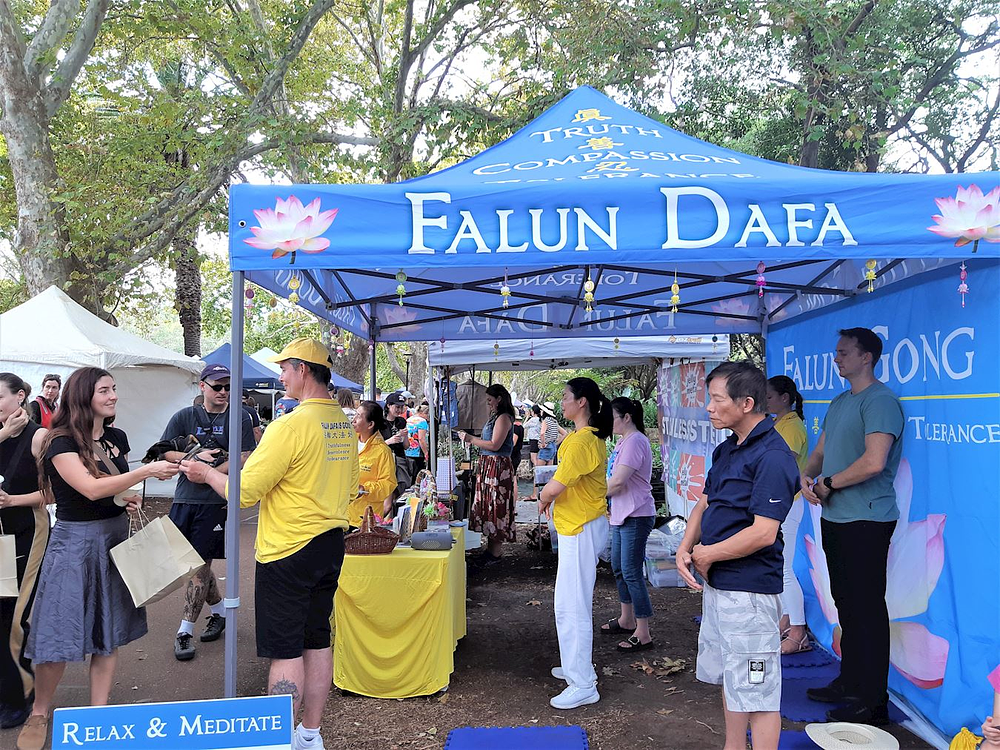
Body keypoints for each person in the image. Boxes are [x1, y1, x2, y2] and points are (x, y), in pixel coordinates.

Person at [180, 339, 357, 750]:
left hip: (288, 548)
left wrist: (206, 475)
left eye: (285, 368)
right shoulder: (343, 426)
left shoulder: (289, 425)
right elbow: (350, 488)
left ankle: (277, 740)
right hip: (330, 543)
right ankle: (309, 734)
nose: (280, 375)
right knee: (317, 639)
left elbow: (244, 491)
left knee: (285, 650)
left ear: (303, 370)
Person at [17, 368, 178, 750]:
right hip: (74, 545)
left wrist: (127, 495)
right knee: (57, 632)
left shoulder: (116, 437)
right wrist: (146, 471)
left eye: (114, 389)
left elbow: (111, 488)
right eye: (105, 390)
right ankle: (40, 711)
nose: (114, 396)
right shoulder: (60, 441)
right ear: (83, 395)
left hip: (114, 538)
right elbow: (89, 489)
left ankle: (99, 716)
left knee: (108, 634)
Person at [675, 361, 798, 750]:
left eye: (716, 399)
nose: (709, 408)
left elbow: (764, 532)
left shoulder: (774, 456)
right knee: (734, 676)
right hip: (720, 586)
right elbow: (704, 504)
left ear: (746, 403)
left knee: (759, 692)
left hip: (749, 590)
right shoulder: (728, 448)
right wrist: (684, 547)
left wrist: (708, 553)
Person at [800, 328, 904, 724]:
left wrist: (828, 483)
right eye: (836, 352)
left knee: (867, 611)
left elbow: (874, 461)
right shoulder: (841, 400)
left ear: (867, 357)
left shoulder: (881, 401)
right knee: (847, 606)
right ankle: (850, 681)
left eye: (844, 352)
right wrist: (806, 478)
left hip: (868, 519)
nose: (837, 358)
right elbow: (821, 451)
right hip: (837, 517)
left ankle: (873, 702)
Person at [161, 364, 256, 661]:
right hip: (184, 499)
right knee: (191, 564)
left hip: (217, 501)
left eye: (228, 387)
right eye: (218, 387)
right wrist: (193, 459)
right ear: (202, 386)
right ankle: (218, 612)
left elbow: (244, 456)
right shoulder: (184, 416)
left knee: (199, 565)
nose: (224, 392)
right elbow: (164, 451)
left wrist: (210, 473)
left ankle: (184, 631)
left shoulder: (239, 416)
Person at [538, 377, 612, 710]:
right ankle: (574, 668)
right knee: (567, 603)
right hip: (579, 525)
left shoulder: (584, 441)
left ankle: (583, 682)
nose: (562, 402)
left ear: (582, 402)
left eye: (566, 397)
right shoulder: (584, 438)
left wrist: (543, 496)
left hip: (580, 527)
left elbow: (555, 485)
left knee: (573, 606)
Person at [0, 374, 49, 731]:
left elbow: (52, 492)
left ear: (19, 397)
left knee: (14, 617)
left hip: (26, 534)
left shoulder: (39, 437)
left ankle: (21, 693)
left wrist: (13, 500)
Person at [601, 397, 656, 653]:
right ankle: (626, 619)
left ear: (626, 418)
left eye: (612, 417)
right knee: (618, 568)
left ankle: (643, 631)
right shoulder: (623, 441)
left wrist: (592, 496)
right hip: (622, 513)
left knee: (632, 571)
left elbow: (619, 481)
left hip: (637, 513)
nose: (609, 422)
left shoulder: (635, 441)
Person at [766, 375, 811, 655]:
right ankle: (787, 620)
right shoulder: (778, 424)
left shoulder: (792, 426)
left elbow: (783, 466)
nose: (765, 401)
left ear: (785, 398)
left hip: (789, 503)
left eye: (769, 396)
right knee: (780, 567)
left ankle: (798, 631)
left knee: (785, 569)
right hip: (779, 502)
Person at [459, 384, 515, 563]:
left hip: (497, 467)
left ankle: (495, 552)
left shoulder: (504, 418)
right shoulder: (496, 417)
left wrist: (471, 439)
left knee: (496, 505)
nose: (488, 403)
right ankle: (491, 549)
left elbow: (494, 445)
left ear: (499, 399)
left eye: (490, 399)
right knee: (489, 504)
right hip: (489, 465)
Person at [350, 401, 396, 528]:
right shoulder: (348, 441)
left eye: (359, 416)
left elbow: (388, 483)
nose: (354, 420)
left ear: (370, 424)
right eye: (355, 414)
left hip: (365, 520)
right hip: (342, 516)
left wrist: (365, 489)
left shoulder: (382, 451)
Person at [381, 392, 410, 492]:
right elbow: (374, 446)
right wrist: (389, 441)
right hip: (385, 461)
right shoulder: (380, 423)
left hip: (400, 459)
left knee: (401, 490)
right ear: (388, 405)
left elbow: (406, 446)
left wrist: (405, 436)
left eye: (402, 407)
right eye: (397, 407)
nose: (399, 410)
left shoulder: (401, 422)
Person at [404, 404, 430, 478]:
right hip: (418, 451)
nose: (428, 417)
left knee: (409, 474)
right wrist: (426, 452)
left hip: (407, 450)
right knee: (418, 475)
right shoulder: (422, 422)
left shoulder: (408, 420)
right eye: (427, 415)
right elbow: (421, 439)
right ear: (423, 413)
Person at [524, 405, 542, 500]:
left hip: (533, 441)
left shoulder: (533, 420)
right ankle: (537, 469)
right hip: (538, 441)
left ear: (532, 411)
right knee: (537, 458)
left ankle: (536, 470)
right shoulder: (539, 420)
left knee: (533, 459)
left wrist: (527, 417)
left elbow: (523, 426)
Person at [510, 409, 524, 501]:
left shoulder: (515, 428)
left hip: (513, 455)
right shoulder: (520, 427)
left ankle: (513, 505)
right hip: (517, 454)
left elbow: (513, 443)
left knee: (513, 479)